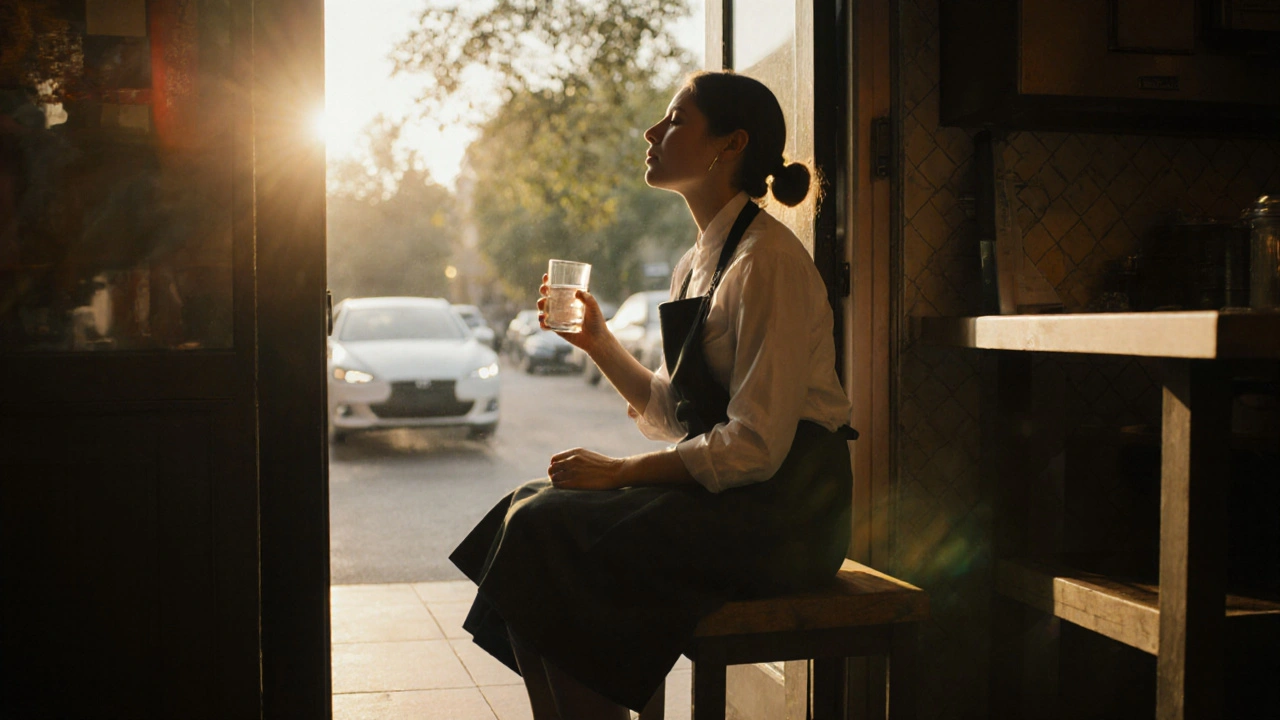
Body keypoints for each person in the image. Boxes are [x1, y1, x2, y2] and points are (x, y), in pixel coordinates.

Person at [449, 70, 855, 720]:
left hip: (788, 514)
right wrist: (600, 343)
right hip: (735, 497)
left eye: (675, 119)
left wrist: (618, 475)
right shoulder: (699, 263)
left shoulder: (766, 264)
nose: (652, 131)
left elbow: (753, 447)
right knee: (525, 509)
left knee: (545, 528)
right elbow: (677, 416)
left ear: (731, 144)